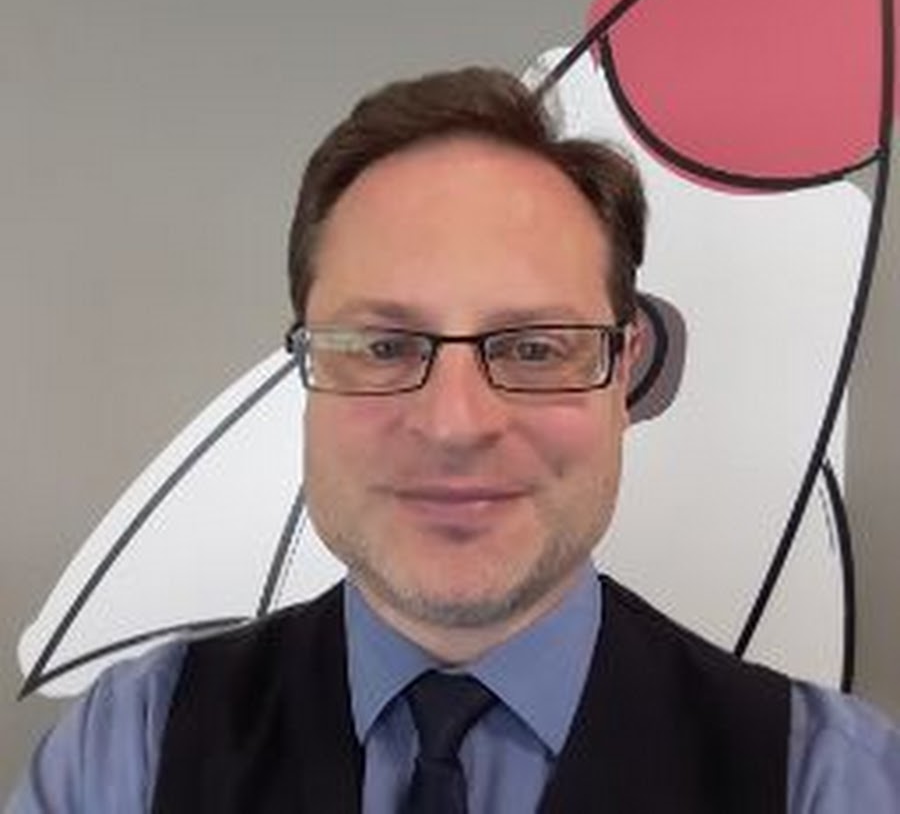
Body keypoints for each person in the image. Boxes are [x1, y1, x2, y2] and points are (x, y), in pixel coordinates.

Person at [6, 67, 900, 813]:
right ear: (307, 366)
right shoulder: (128, 756)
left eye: (536, 348)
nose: (455, 425)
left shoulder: (832, 783)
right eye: (384, 346)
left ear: (624, 373)